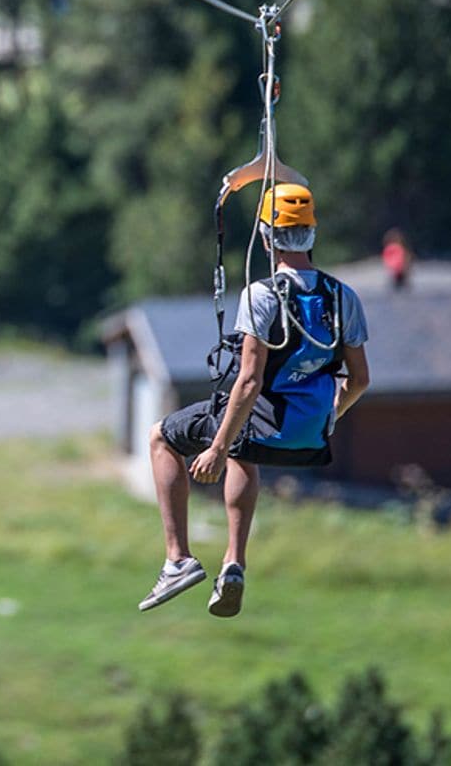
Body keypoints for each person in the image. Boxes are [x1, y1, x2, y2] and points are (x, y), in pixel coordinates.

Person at [138, 182, 370, 617]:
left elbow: (248, 381)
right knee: (247, 448)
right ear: (312, 234)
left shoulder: (261, 296)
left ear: (266, 238)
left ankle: (177, 559)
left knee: (161, 437)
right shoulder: (344, 298)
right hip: (311, 436)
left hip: (263, 421)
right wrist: (329, 418)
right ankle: (233, 563)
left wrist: (216, 449)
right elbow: (359, 378)